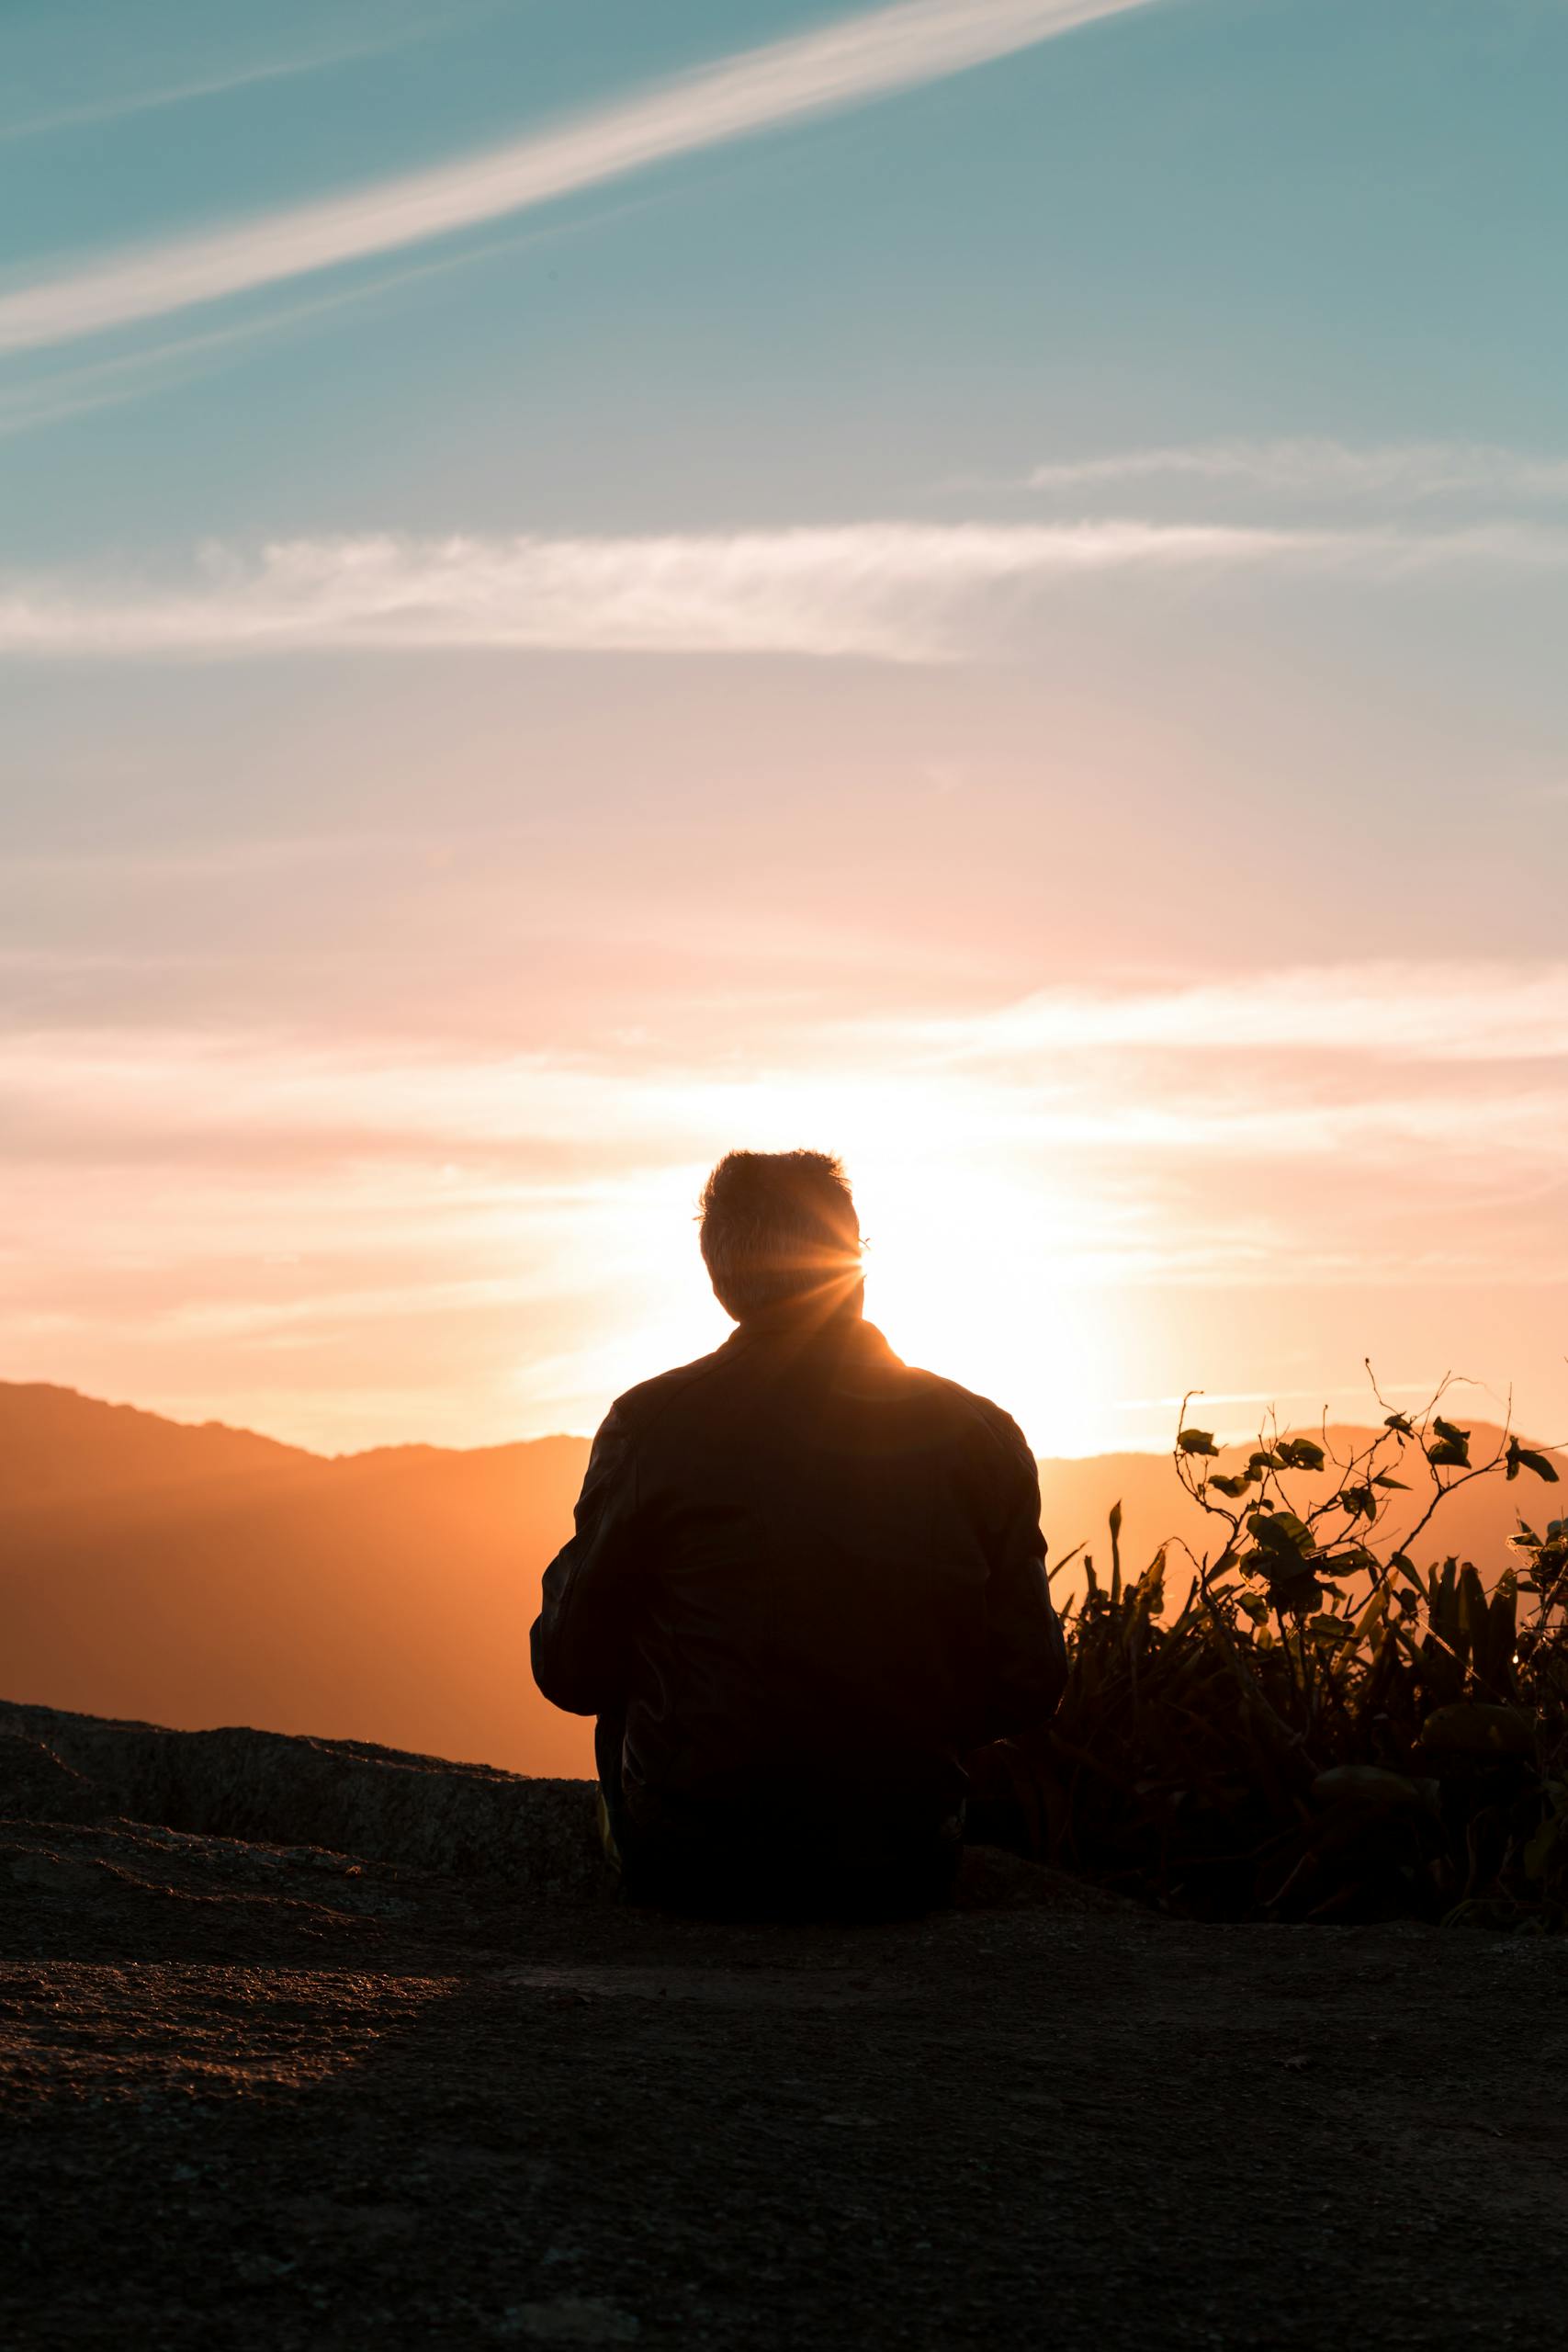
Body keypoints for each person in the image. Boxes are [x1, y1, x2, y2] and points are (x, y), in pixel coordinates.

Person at [530, 1148, 1065, 1917]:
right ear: (855, 1262)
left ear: (718, 1278)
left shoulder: (650, 1425)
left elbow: (571, 1668)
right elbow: (1029, 1679)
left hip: (691, 1861)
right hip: (897, 1863)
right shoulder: (982, 1433)